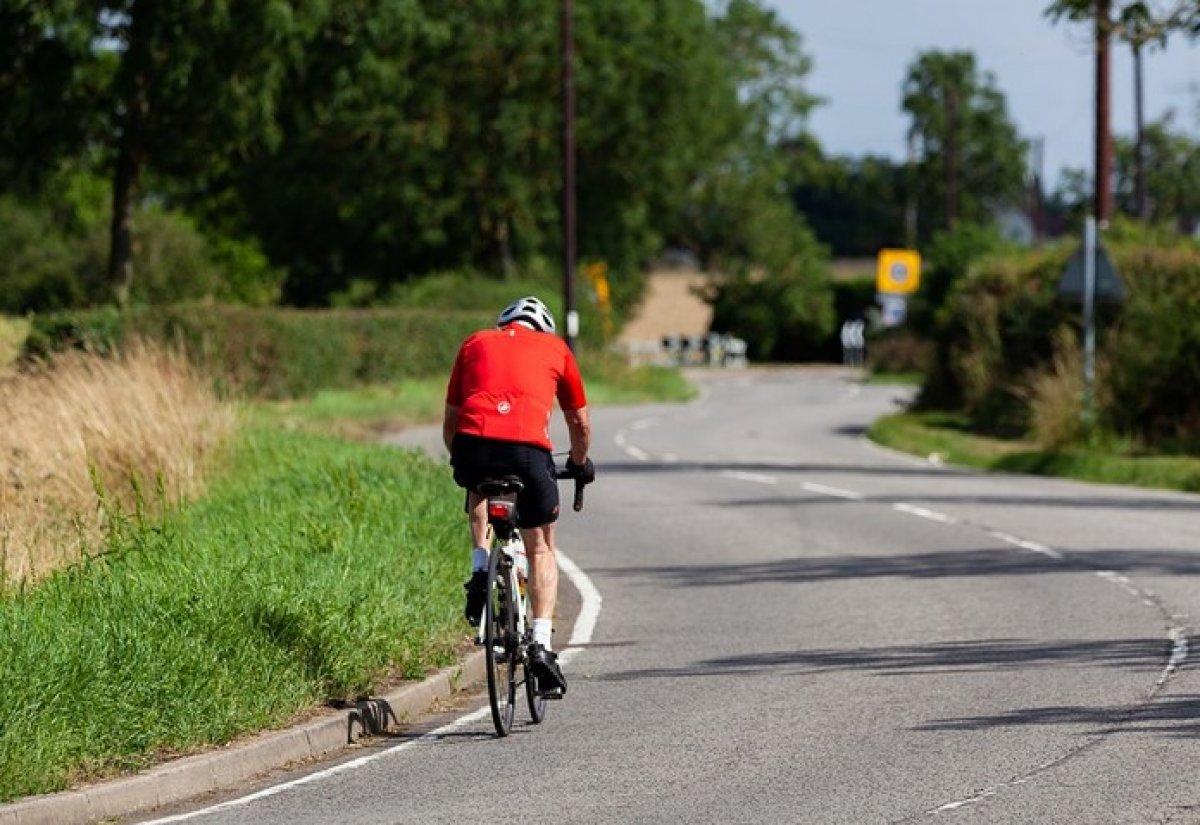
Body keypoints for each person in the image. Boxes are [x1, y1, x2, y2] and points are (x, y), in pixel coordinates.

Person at [443, 296, 594, 694]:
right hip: (529, 452)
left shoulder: (475, 342)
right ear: (542, 328)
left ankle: (479, 568)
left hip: (473, 446)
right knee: (542, 545)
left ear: (503, 323)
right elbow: (578, 421)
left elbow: (452, 419)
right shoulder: (556, 349)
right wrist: (578, 462)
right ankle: (541, 644)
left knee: (478, 487)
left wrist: (462, 458)